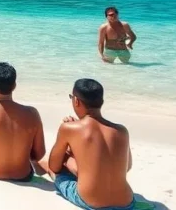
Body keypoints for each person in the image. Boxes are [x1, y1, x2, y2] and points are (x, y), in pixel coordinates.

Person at [40, 79, 135, 210]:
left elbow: (54, 166)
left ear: (76, 101)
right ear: (101, 102)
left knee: (53, 168)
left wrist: (68, 155)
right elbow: (127, 167)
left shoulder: (69, 128)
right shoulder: (121, 131)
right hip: (126, 202)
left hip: (91, 202)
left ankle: (35, 164)